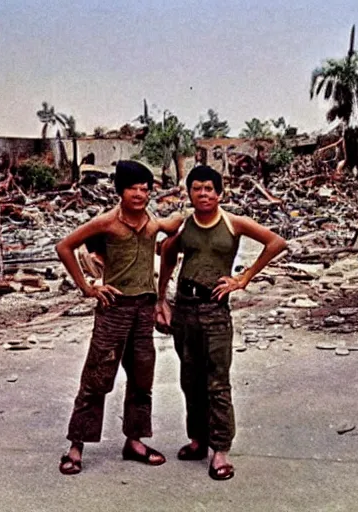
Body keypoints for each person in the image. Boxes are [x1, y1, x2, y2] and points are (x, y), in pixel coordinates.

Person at [155, 165, 287, 481]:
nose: (203, 194)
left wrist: (243, 278)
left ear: (219, 192)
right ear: (188, 193)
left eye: (209, 189)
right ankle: (198, 440)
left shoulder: (233, 223)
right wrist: (162, 298)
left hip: (215, 311)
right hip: (184, 309)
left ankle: (220, 450)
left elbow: (276, 243)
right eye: (197, 188)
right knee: (190, 380)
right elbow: (166, 253)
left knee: (217, 383)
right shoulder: (183, 225)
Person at [55, 160, 184, 475]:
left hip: (144, 310)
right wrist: (88, 287)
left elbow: (172, 225)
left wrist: (182, 211)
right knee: (96, 379)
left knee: (142, 379)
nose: (139, 194)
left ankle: (135, 441)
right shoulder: (107, 222)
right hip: (115, 309)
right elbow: (64, 246)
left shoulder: (152, 223)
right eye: (133, 188)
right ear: (120, 191)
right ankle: (76, 446)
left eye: (145, 189)